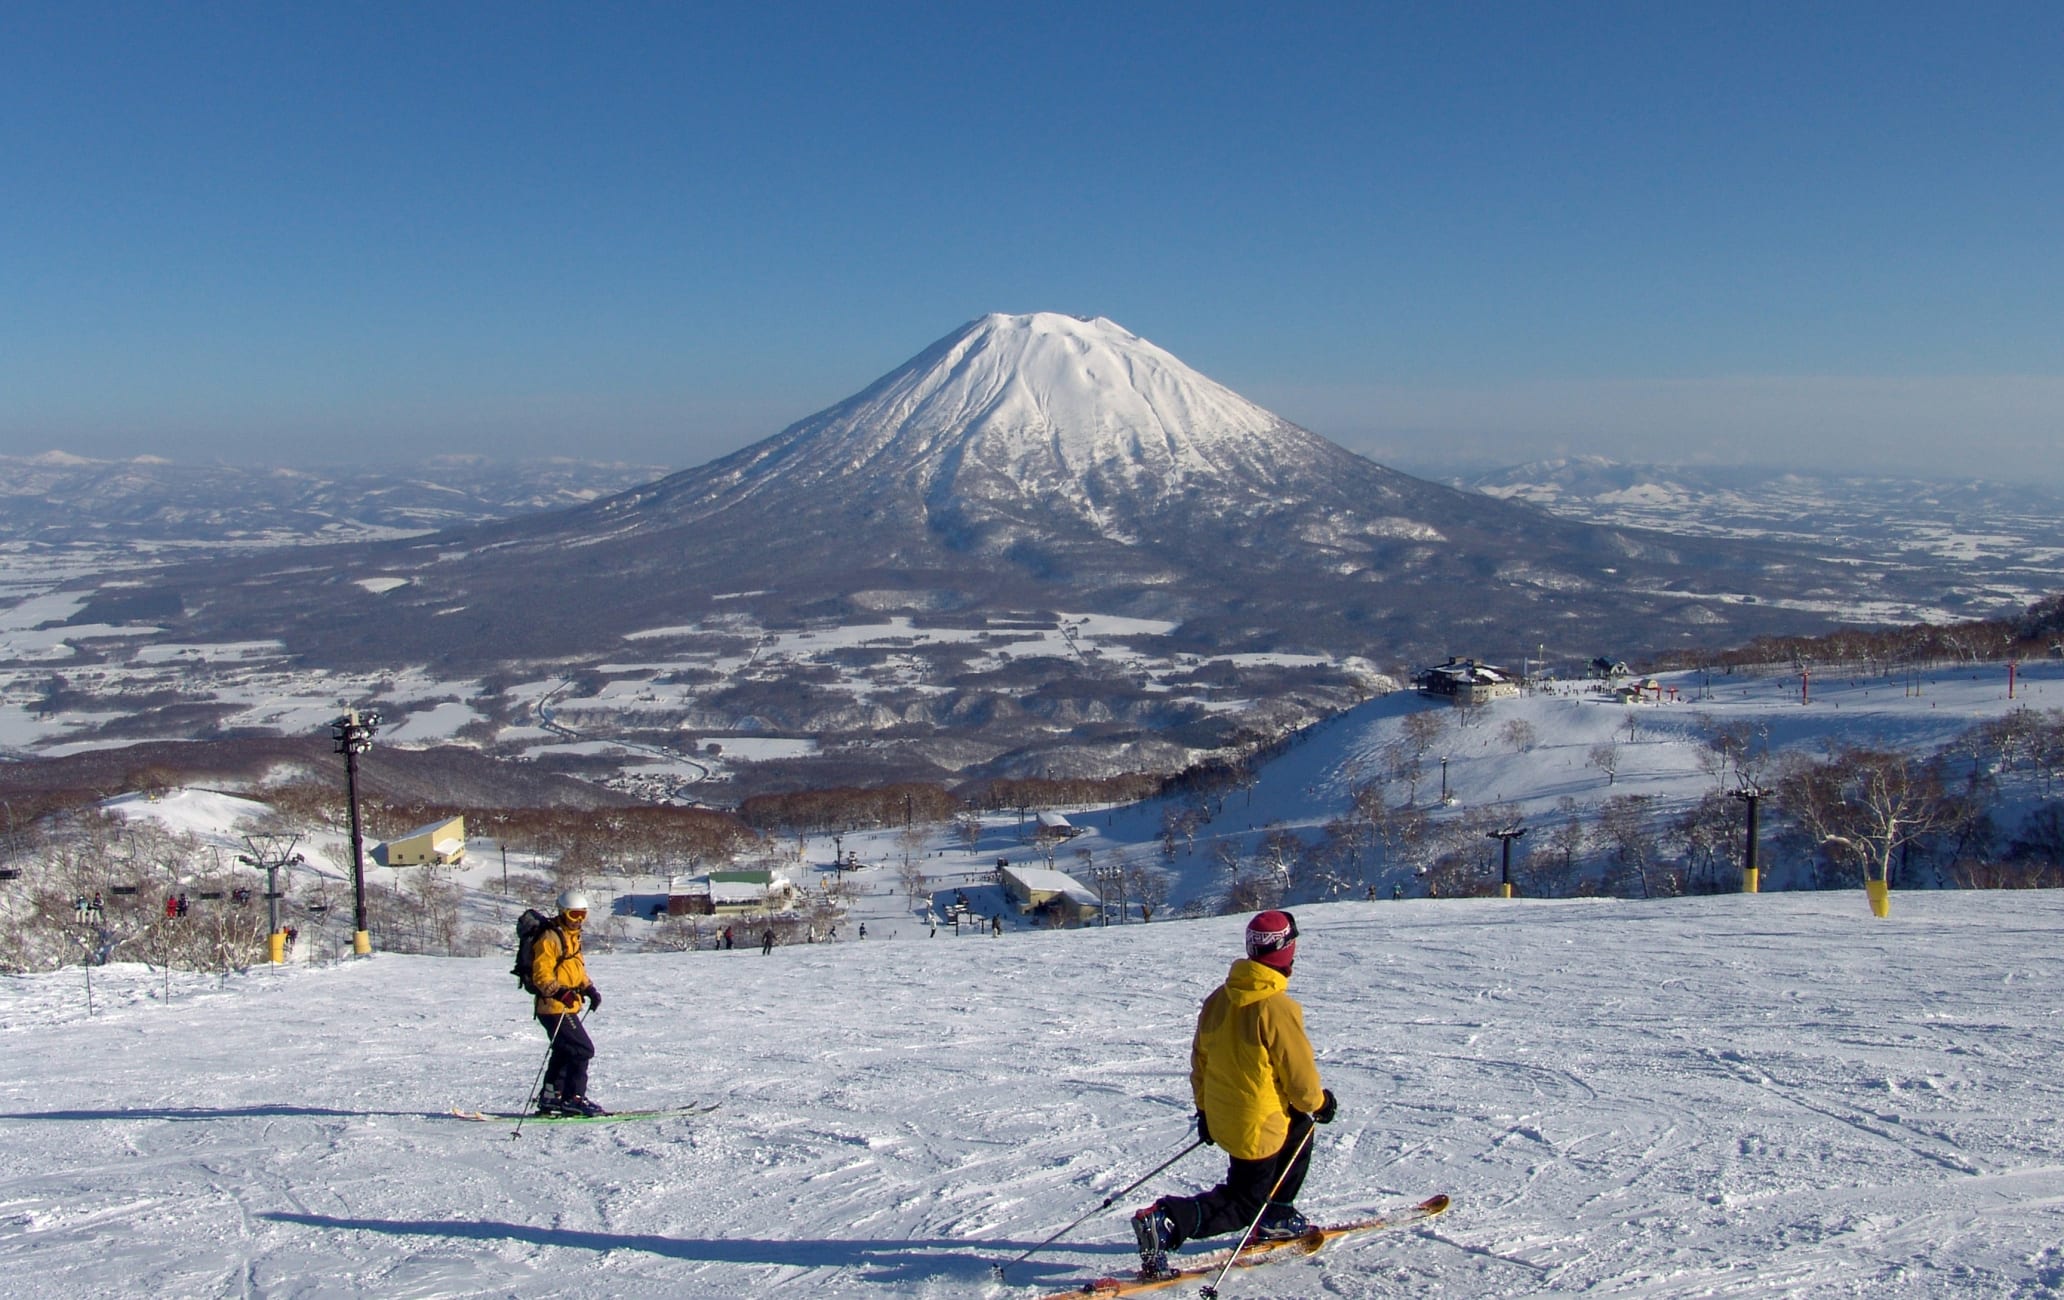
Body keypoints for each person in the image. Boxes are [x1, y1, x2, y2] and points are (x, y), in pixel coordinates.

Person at [1132, 911, 1337, 1276]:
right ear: (1286, 951)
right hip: (1256, 1127)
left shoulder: (1219, 999)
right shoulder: (1275, 1008)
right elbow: (1301, 1080)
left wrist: (1205, 1113)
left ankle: (1278, 1214)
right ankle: (1168, 1221)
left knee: (1300, 1129)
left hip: (1223, 1115)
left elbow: (1201, 1062)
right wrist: (1321, 1103)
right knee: (1244, 1203)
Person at [529, 889, 607, 1116]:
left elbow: (575, 968)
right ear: (563, 913)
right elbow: (541, 975)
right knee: (582, 1049)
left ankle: (552, 1096)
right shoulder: (549, 938)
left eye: (583, 915)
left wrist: (588, 988)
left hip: (566, 1006)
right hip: (553, 1007)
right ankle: (573, 1098)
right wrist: (559, 993)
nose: (579, 920)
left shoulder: (571, 937)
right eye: (574, 915)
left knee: (565, 1050)